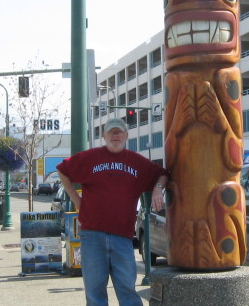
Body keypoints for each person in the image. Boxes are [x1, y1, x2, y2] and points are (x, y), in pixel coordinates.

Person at [57, 118, 168, 306]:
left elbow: (163, 174)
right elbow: (63, 170)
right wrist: (77, 200)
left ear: (126, 135)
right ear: (104, 136)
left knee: (127, 290)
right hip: (92, 236)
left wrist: (157, 188)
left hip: (123, 238)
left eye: (119, 132)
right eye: (111, 132)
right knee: (95, 292)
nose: (115, 136)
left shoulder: (136, 162)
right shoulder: (90, 158)